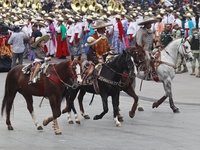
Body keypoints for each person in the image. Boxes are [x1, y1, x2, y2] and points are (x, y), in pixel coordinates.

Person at [83, 20, 113, 84]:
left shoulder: (105, 37)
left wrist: (109, 49)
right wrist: (97, 59)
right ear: (100, 29)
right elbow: (91, 52)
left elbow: (106, 48)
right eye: (104, 28)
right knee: (91, 70)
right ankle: (88, 81)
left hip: (105, 57)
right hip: (95, 58)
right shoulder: (92, 37)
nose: (105, 29)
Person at [136, 16, 159, 81]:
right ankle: (147, 72)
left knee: (157, 55)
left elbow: (151, 39)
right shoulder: (141, 31)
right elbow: (138, 42)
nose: (150, 25)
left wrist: (155, 41)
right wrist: (140, 49)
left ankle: (154, 71)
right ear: (145, 24)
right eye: (149, 24)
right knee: (148, 58)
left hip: (149, 49)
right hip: (143, 49)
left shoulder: (150, 31)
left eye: (151, 24)